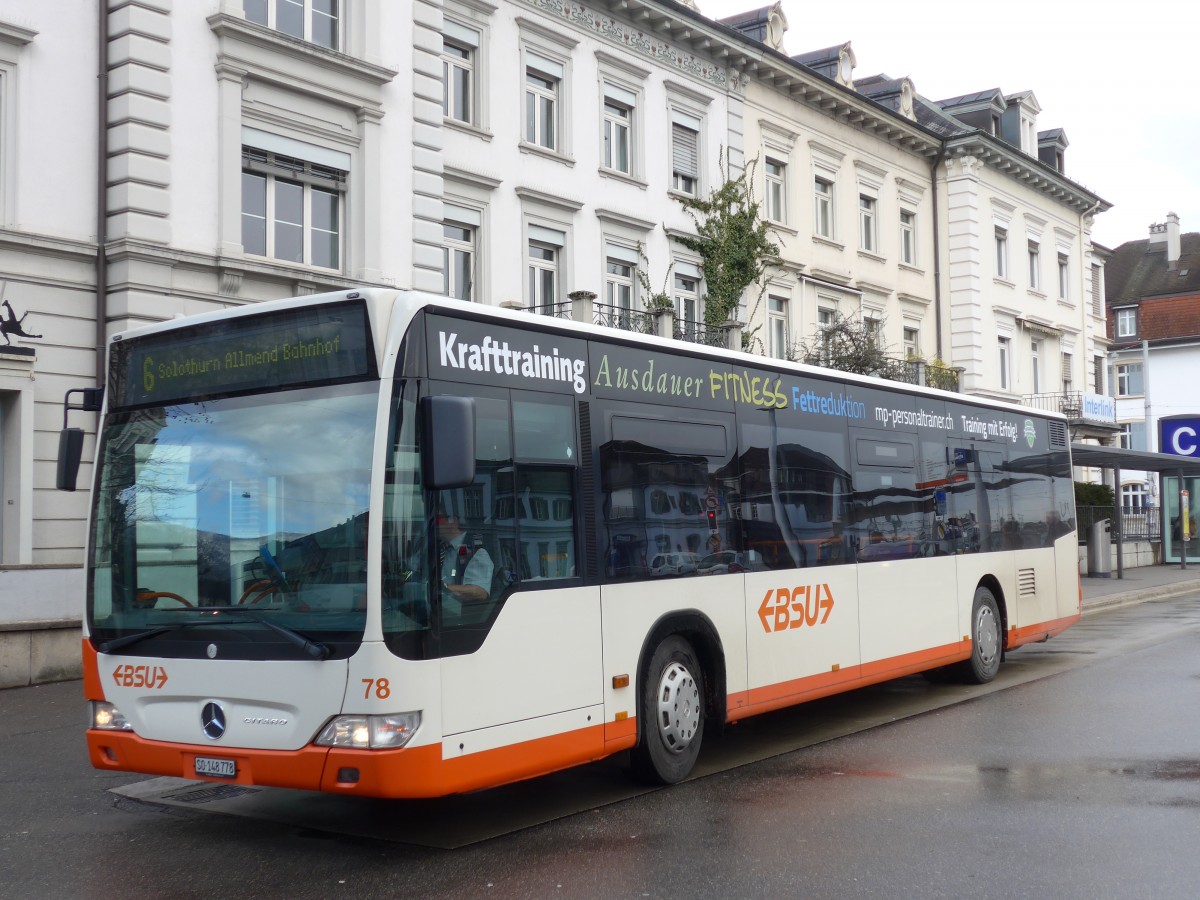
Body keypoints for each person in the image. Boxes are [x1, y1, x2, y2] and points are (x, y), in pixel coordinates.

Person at [436, 512, 494, 614]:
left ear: (453, 521)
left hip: (464, 617)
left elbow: (479, 591)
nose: (434, 524)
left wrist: (441, 589)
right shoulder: (439, 549)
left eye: (438, 520)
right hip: (439, 612)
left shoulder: (477, 549)